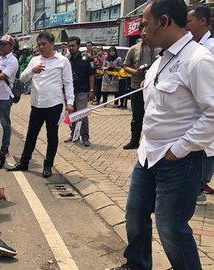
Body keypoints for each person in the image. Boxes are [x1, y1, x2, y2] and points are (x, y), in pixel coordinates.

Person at [109, 1, 214, 269]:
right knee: (135, 214)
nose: (141, 31)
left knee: (171, 228)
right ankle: (137, 264)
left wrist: (178, 149)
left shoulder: (198, 60)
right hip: (147, 156)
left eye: (145, 24)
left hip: (179, 161)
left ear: (164, 21)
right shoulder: (161, 61)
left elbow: (212, 114)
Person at [7, 32, 74, 177]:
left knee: (52, 136)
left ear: (51, 44)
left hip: (54, 104)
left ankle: (48, 165)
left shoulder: (63, 61)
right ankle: (24, 162)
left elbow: (68, 83)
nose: (41, 47)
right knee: (31, 134)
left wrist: (70, 102)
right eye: (39, 44)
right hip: (37, 104)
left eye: (44, 44)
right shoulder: (34, 60)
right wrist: (32, 70)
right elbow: (23, 78)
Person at [186, 4, 214, 202]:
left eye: (189, 22)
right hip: (198, 109)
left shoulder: (210, 48)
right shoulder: (195, 47)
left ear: (203, 21)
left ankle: (198, 189)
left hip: (208, 107)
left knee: (207, 149)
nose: (186, 26)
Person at [122, 32, 160, 150]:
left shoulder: (161, 48)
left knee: (154, 116)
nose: (146, 34)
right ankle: (134, 141)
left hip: (155, 87)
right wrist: (134, 72)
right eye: (143, 32)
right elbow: (125, 65)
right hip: (137, 87)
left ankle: (151, 142)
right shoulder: (134, 49)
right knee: (137, 116)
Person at [65, 36, 95, 147]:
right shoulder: (67, 59)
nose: (71, 48)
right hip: (69, 92)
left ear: (78, 46)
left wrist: (91, 90)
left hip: (82, 91)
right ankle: (74, 134)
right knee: (71, 114)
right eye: (69, 46)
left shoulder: (87, 59)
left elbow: (92, 75)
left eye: (73, 46)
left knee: (82, 114)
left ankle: (85, 137)